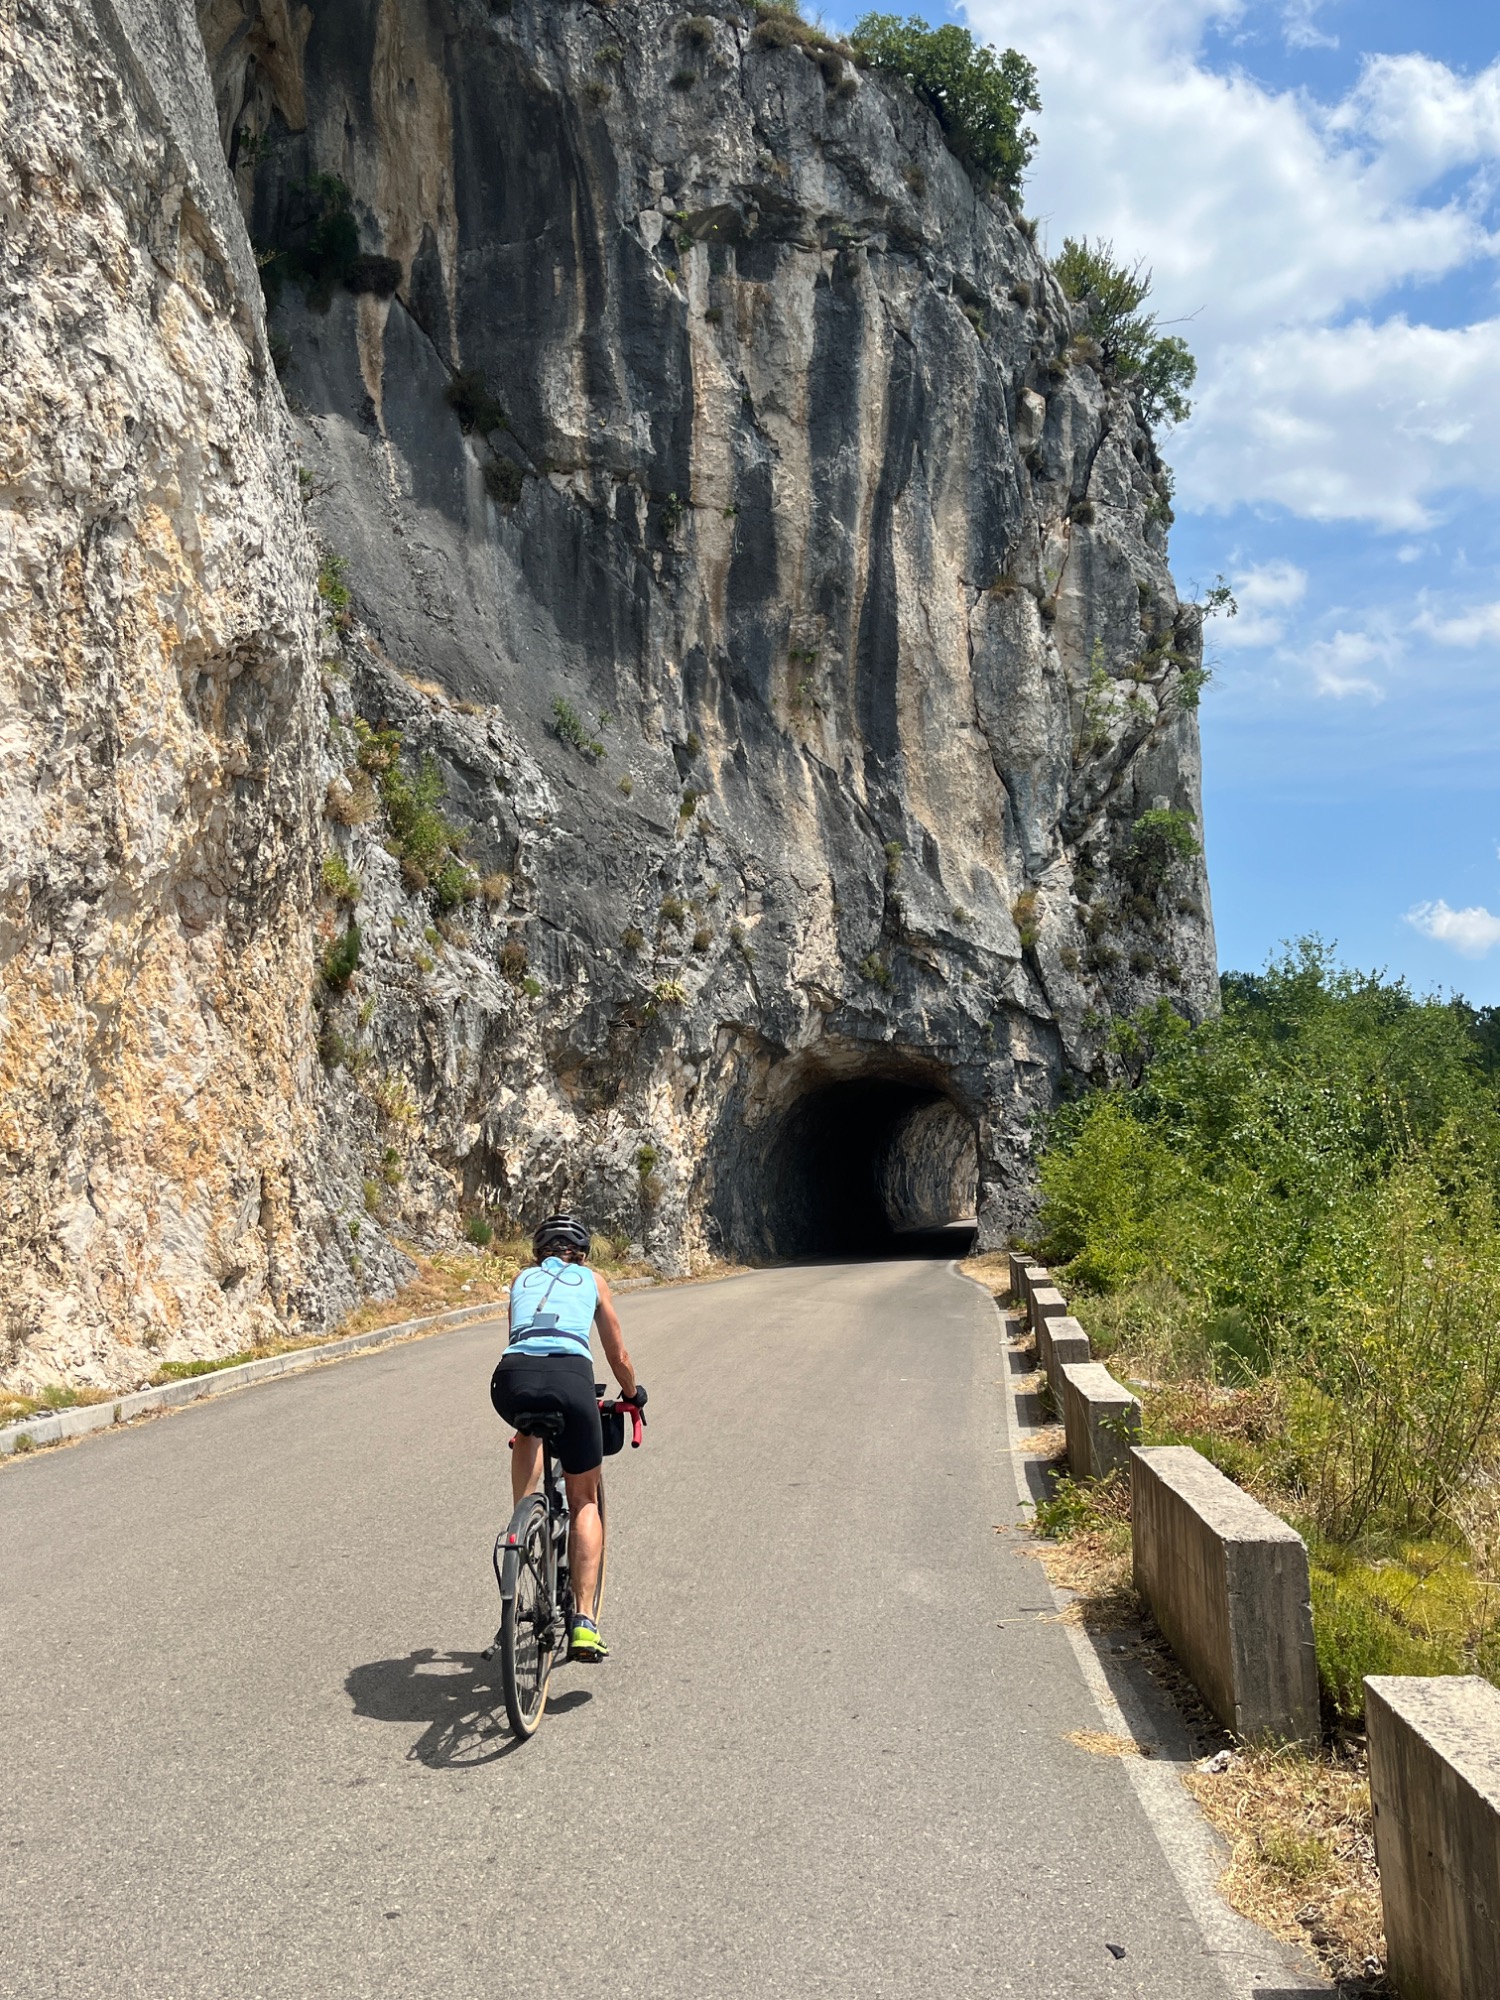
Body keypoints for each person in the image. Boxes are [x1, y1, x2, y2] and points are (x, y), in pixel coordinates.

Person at [489, 1213, 644, 1662]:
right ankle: (584, 1623)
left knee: (528, 1428)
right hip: (572, 1380)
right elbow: (617, 1354)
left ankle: (522, 1523)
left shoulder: (521, 1279)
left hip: (510, 1379)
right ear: (582, 1254)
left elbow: (522, 1338)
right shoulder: (593, 1281)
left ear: (538, 1253)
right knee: (584, 1502)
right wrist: (632, 1394)